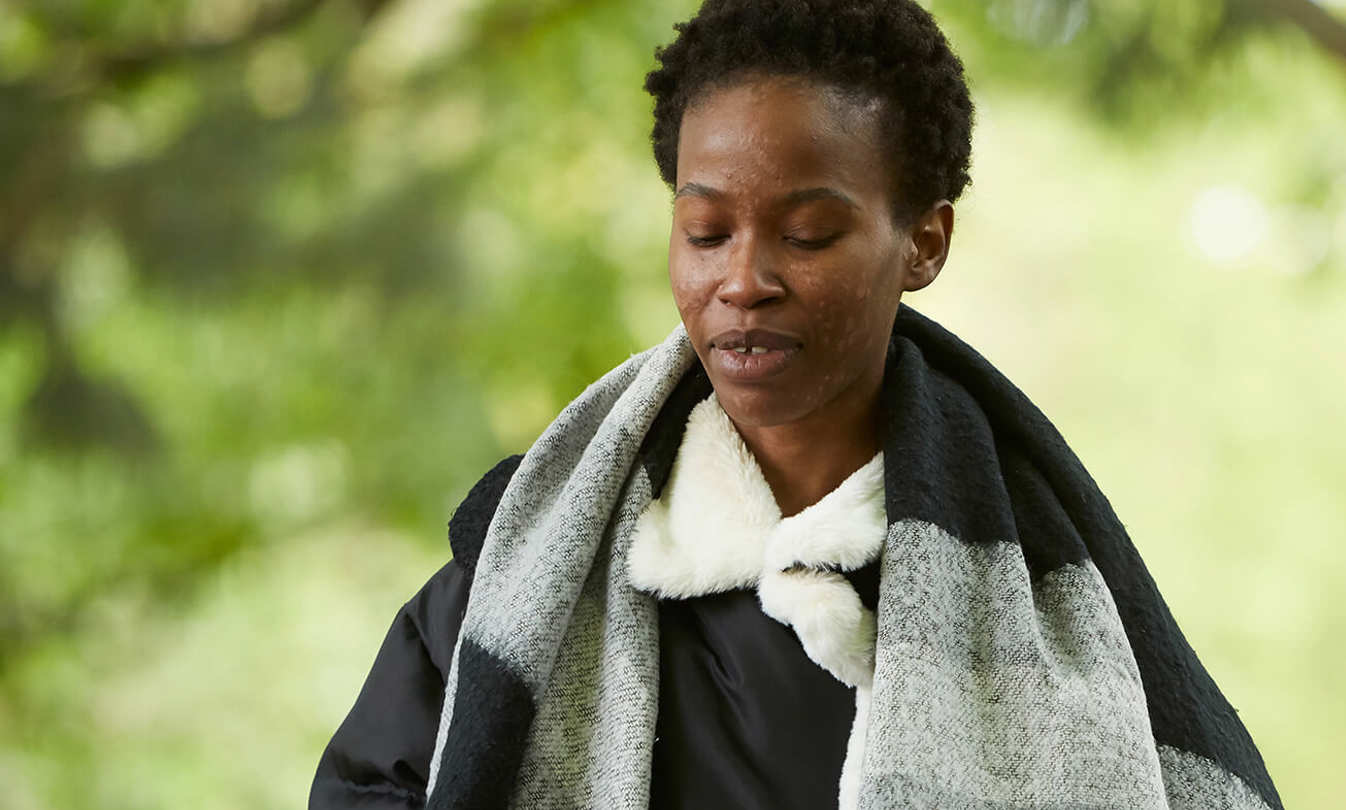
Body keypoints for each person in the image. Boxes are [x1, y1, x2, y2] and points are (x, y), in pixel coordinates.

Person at [308, 1, 1281, 808]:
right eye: (705, 229)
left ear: (924, 243)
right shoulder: (525, 567)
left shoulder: (1053, 613)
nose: (743, 279)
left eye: (808, 233)